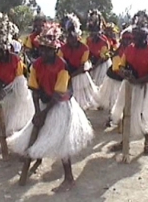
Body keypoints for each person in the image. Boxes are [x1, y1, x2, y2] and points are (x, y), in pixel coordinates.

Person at [7, 22, 93, 192]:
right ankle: (34, 159)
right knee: (37, 131)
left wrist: (44, 112)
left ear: (55, 50)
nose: (44, 53)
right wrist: (38, 112)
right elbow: (34, 90)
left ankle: (69, 178)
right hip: (44, 102)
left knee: (61, 142)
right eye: (42, 49)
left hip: (61, 104)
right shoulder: (36, 65)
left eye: (48, 50)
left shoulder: (62, 66)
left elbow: (58, 94)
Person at [107, 12, 148, 154]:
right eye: (134, 37)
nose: (135, 39)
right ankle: (125, 140)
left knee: (142, 113)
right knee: (126, 111)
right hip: (129, 85)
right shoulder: (130, 48)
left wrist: (138, 80)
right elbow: (121, 65)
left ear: (145, 37)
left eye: (138, 37)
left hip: (144, 87)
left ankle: (147, 140)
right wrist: (125, 73)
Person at [0, 13, 34, 154]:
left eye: (1, 51)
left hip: (13, 94)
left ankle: (14, 144)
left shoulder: (15, 60)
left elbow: (19, 80)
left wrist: (10, 93)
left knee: (13, 120)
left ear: (7, 49)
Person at [58, 13, 98, 110]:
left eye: (73, 37)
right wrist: (65, 78)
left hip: (78, 73)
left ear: (77, 37)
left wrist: (71, 76)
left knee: (81, 101)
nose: (71, 40)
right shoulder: (63, 49)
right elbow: (60, 64)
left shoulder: (84, 49)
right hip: (66, 72)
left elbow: (81, 67)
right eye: (69, 38)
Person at [99, 26, 133, 112]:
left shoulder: (134, 50)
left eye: (130, 39)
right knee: (115, 102)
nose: (128, 42)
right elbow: (116, 69)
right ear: (122, 40)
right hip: (115, 78)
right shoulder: (118, 52)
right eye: (125, 39)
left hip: (126, 77)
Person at [86, 10, 111, 86]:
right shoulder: (89, 40)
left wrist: (94, 67)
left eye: (94, 33)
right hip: (94, 64)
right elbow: (88, 53)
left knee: (100, 84)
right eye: (91, 33)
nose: (93, 35)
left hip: (102, 65)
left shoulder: (103, 41)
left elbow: (103, 58)